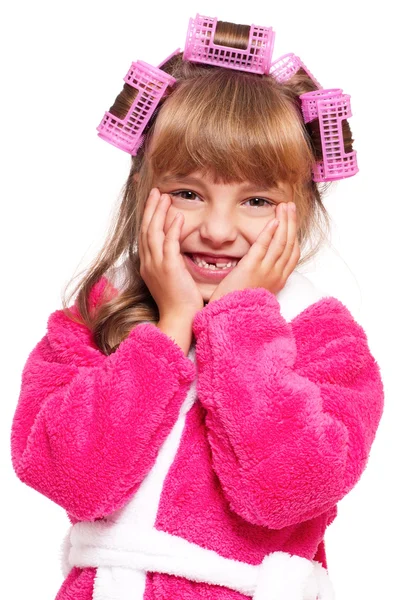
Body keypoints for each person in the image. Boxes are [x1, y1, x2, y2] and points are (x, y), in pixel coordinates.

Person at [10, 13, 384, 600]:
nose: (216, 229)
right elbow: (69, 480)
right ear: (142, 189)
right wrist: (170, 327)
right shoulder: (94, 322)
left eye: (256, 200)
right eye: (187, 193)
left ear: (302, 209)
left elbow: (287, 488)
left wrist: (239, 322)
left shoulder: (325, 339)